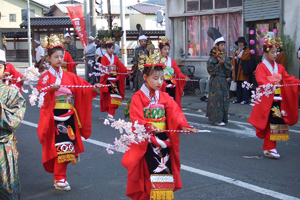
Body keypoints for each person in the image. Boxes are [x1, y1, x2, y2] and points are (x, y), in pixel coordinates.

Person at [121, 54, 198, 200]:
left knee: (165, 178)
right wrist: (148, 126)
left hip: (163, 139)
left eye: (161, 78)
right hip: (147, 140)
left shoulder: (164, 97)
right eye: (155, 78)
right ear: (145, 77)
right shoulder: (138, 97)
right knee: (147, 176)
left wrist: (183, 125)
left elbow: (175, 113)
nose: (159, 82)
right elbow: (136, 118)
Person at [37, 44, 100, 191]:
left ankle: (60, 177)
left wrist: (93, 88)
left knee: (68, 147)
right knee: (59, 148)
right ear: (49, 58)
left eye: (61, 57)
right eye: (56, 57)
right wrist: (49, 90)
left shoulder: (69, 76)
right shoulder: (45, 77)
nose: (59, 59)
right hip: (54, 117)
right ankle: (59, 178)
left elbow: (83, 88)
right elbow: (39, 93)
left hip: (69, 116)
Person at [248, 36, 300, 159]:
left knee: (273, 122)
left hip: (277, 99)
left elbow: (287, 79)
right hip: (267, 99)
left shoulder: (280, 67)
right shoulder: (261, 66)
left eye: (276, 52)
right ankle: (270, 147)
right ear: (266, 53)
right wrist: (272, 84)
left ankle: (268, 147)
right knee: (270, 123)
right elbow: (261, 80)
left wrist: (298, 82)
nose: (275, 54)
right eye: (272, 52)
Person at [0, 49, 26, 199]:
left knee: (7, 189)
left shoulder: (12, 93)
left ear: (4, 69)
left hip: (4, 147)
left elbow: (14, 122)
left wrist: (1, 111)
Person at [206, 27, 232, 126]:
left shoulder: (224, 56)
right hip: (216, 81)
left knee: (225, 99)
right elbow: (210, 70)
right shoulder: (212, 58)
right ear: (216, 46)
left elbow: (229, 68)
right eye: (221, 45)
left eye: (224, 45)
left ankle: (223, 118)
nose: (223, 47)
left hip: (224, 81)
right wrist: (219, 65)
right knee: (216, 100)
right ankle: (216, 120)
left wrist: (224, 64)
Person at [100, 37, 128, 122]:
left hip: (114, 80)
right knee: (110, 98)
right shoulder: (104, 58)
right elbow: (103, 69)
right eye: (110, 48)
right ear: (106, 48)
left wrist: (127, 71)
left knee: (114, 98)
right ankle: (110, 114)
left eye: (112, 48)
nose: (111, 50)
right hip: (107, 80)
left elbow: (121, 66)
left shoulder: (115, 58)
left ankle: (110, 114)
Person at [159, 36, 189, 109]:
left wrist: (183, 77)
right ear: (160, 50)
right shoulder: (156, 60)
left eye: (168, 49)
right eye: (165, 49)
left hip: (170, 84)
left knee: (171, 105)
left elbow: (178, 72)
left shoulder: (172, 61)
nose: (167, 51)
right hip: (159, 84)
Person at [231, 37, 251, 105]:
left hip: (243, 71)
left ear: (244, 43)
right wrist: (233, 71)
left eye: (241, 43)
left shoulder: (247, 50)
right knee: (238, 85)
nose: (240, 44)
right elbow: (233, 61)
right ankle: (238, 98)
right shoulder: (236, 51)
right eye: (239, 43)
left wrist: (240, 53)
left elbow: (244, 58)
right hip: (236, 71)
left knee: (245, 85)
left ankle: (245, 99)